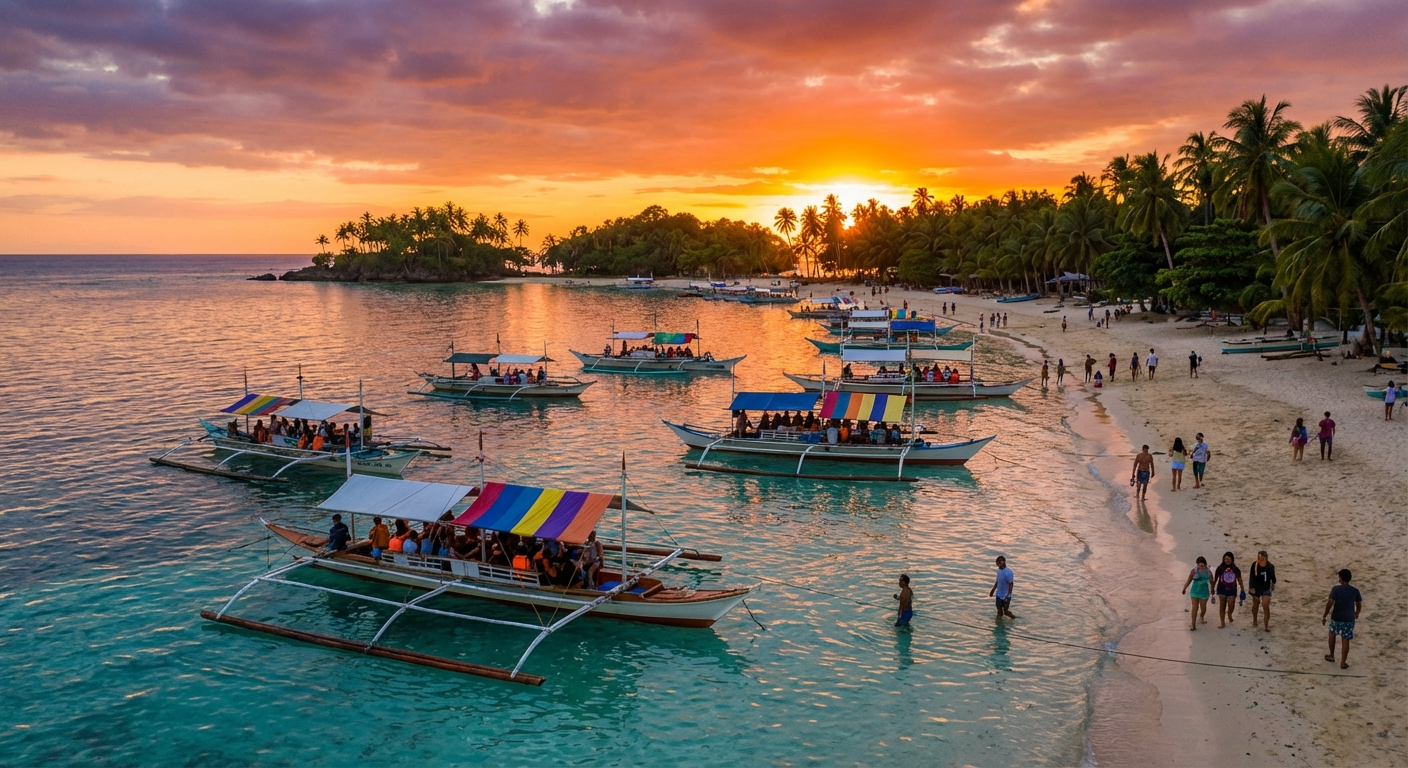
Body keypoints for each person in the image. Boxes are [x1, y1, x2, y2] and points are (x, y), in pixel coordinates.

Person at [1322, 568, 1361, 669]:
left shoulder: (1335, 589)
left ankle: (1331, 655)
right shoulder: (1355, 591)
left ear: (1341, 578)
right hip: (1349, 619)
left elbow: (1330, 603)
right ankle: (1343, 662)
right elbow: (1358, 604)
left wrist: (1325, 615)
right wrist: (1357, 613)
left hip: (1336, 617)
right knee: (1346, 639)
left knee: (1332, 634)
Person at [1181, 556, 1212, 630]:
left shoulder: (1208, 572)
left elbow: (1212, 582)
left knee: (1203, 608)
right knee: (1195, 608)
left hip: (1204, 592)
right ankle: (1193, 624)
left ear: (1205, 564)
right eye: (1199, 565)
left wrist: (1213, 591)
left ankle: (1201, 616)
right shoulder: (1194, 571)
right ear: (1197, 564)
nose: (1201, 566)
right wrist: (1184, 588)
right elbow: (1189, 580)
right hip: (1194, 591)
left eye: (1202, 565)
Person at [1248, 551, 1276, 631]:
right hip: (1256, 588)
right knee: (1255, 604)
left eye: (1262, 558)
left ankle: (1266, 626)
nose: (1260, 560)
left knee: (1265, 606)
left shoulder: (1270, 566)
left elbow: (1273, 578)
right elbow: (1252, 577)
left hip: (1266, 588)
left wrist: (1273, 585)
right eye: (1258, 558)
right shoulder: (1254, 565)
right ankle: (1255, 620)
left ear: (1266, 558)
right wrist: (1251, 588)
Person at [1213, 552, 1243, 628]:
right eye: (1225, 559)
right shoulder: (1220, 568)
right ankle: (1222, 623)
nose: (1227, 560)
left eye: (1229, 559)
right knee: (1222, 606)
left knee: (1231, 606)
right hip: (1221, 589)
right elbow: (1215, 579)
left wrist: (1242, 589)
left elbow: (1239, 579)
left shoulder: (1236, 569)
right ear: (1223, 559)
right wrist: (1212, 588)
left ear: (1232, 559)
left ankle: (1229, 614)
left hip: (1232, 590)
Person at [989, 556, 1016, 620]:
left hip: (1006, 595)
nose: (998, 565)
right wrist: (992, 590)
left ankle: (1013, 618)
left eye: (998, 563)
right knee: (999, 611)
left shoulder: (1009, 572)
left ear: (1003, 562)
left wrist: (1007, 595)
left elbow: (1011, 585)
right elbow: (997, 582)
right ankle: (998, 624)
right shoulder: (999, 571)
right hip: (999, 594)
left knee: (1006, 611)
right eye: (997, 564)